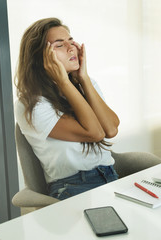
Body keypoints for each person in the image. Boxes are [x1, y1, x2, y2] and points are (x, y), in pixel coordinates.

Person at [14, 18, 120, 200]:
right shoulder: (30, 104)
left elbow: (110, 129)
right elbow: (94, 133)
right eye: (60, 45)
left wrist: (84, 79)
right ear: (40, 57)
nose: (72, 48)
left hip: (111, 175)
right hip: (74, 186)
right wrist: (63, 81)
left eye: (71, 41)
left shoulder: (86, 84)